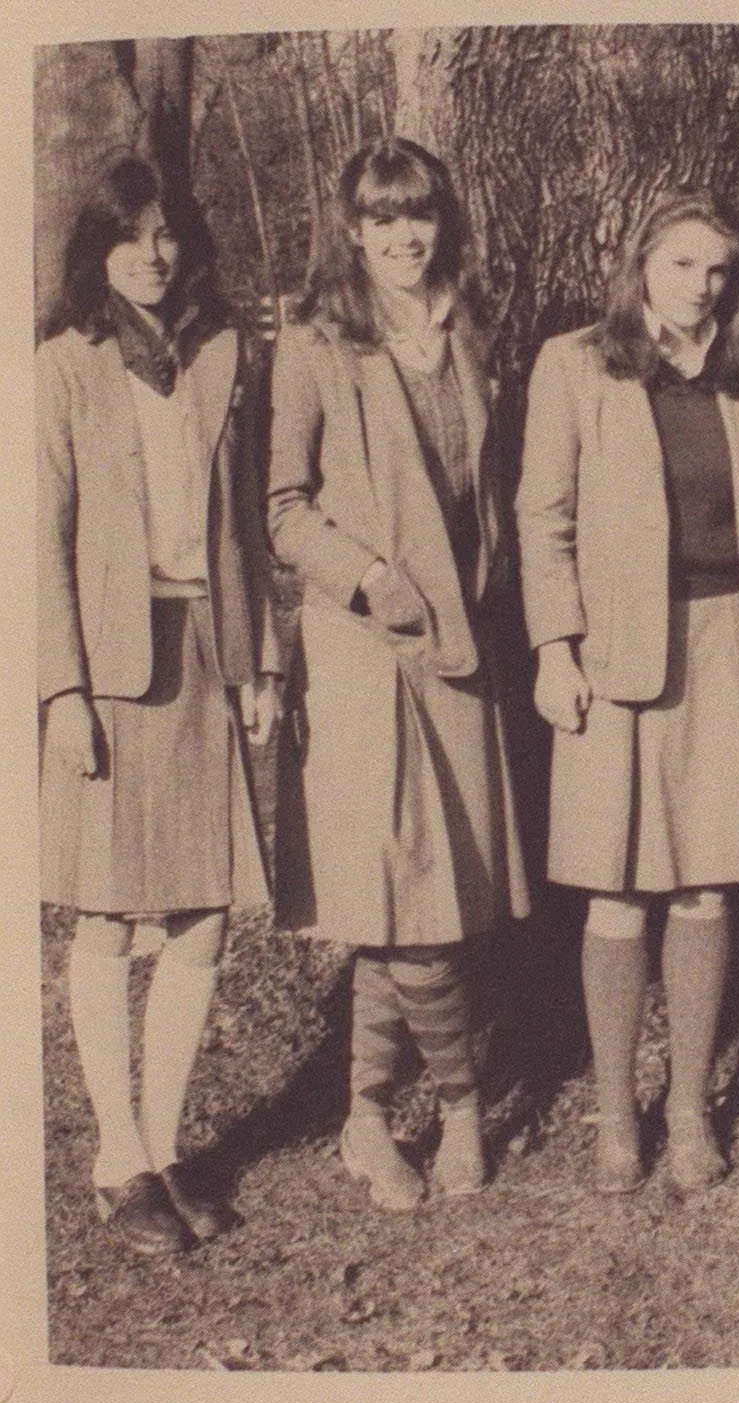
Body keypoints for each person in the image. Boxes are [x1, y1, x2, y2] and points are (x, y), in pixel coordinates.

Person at [516, 187, 739, 1194]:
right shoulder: (577, 364)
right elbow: (541, 514)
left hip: (724, 639)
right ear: (642, 264)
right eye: (684, 264)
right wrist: (555, 647)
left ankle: (688, 1108)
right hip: (614, 651)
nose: (702, 285)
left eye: (719, 270)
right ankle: (614, 1114)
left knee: (703, 882)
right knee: (613, 886)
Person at [267, 138, 530, 1211]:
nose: (402, 238)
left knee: (420, 902)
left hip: (461, 650)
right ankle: (462, 1106)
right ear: (352, 229)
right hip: (368, 650)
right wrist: (368, 573)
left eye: (417, 216)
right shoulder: (317, 343)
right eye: (381, 220)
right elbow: (283, 509)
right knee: (405, 896)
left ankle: (366, 1114)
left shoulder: (468, 332)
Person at [38, 154, 280, 1254]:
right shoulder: (65, 366)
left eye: (168, 232)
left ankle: (165, 1146)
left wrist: (263, 662)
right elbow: (33, 541)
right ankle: (114, 1159)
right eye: (130, 235)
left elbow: (246, 528)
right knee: (108, 910)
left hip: (207, 655)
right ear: (98, 250)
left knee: (203, 912)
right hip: (109, 669)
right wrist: (60, 689)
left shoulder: (224, 356)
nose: (151, 252)